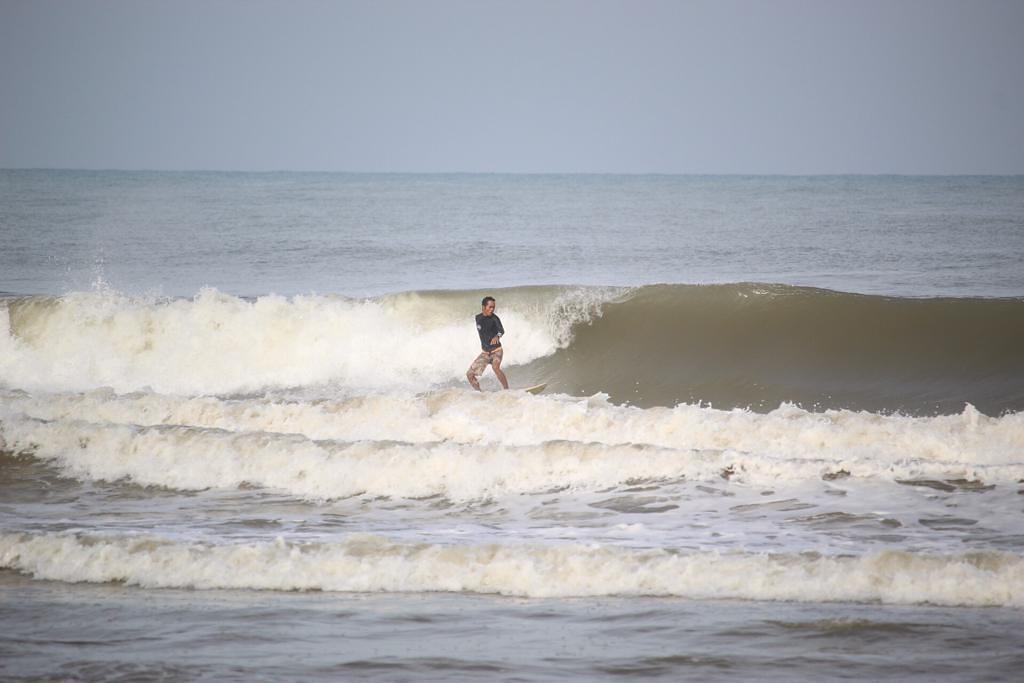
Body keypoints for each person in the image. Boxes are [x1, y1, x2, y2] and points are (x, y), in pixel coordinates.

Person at [466, 296, 509, 390]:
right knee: (469, 374)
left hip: (496, 351)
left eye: (493, 307)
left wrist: (497, 336)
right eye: (490, 307)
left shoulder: (494, 318)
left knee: (495, 367)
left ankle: (507, 390)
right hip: (485, 353)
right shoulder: (478, 318)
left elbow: (501, 330)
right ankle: (479, 393)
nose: (492, 309)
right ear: (483, 307)